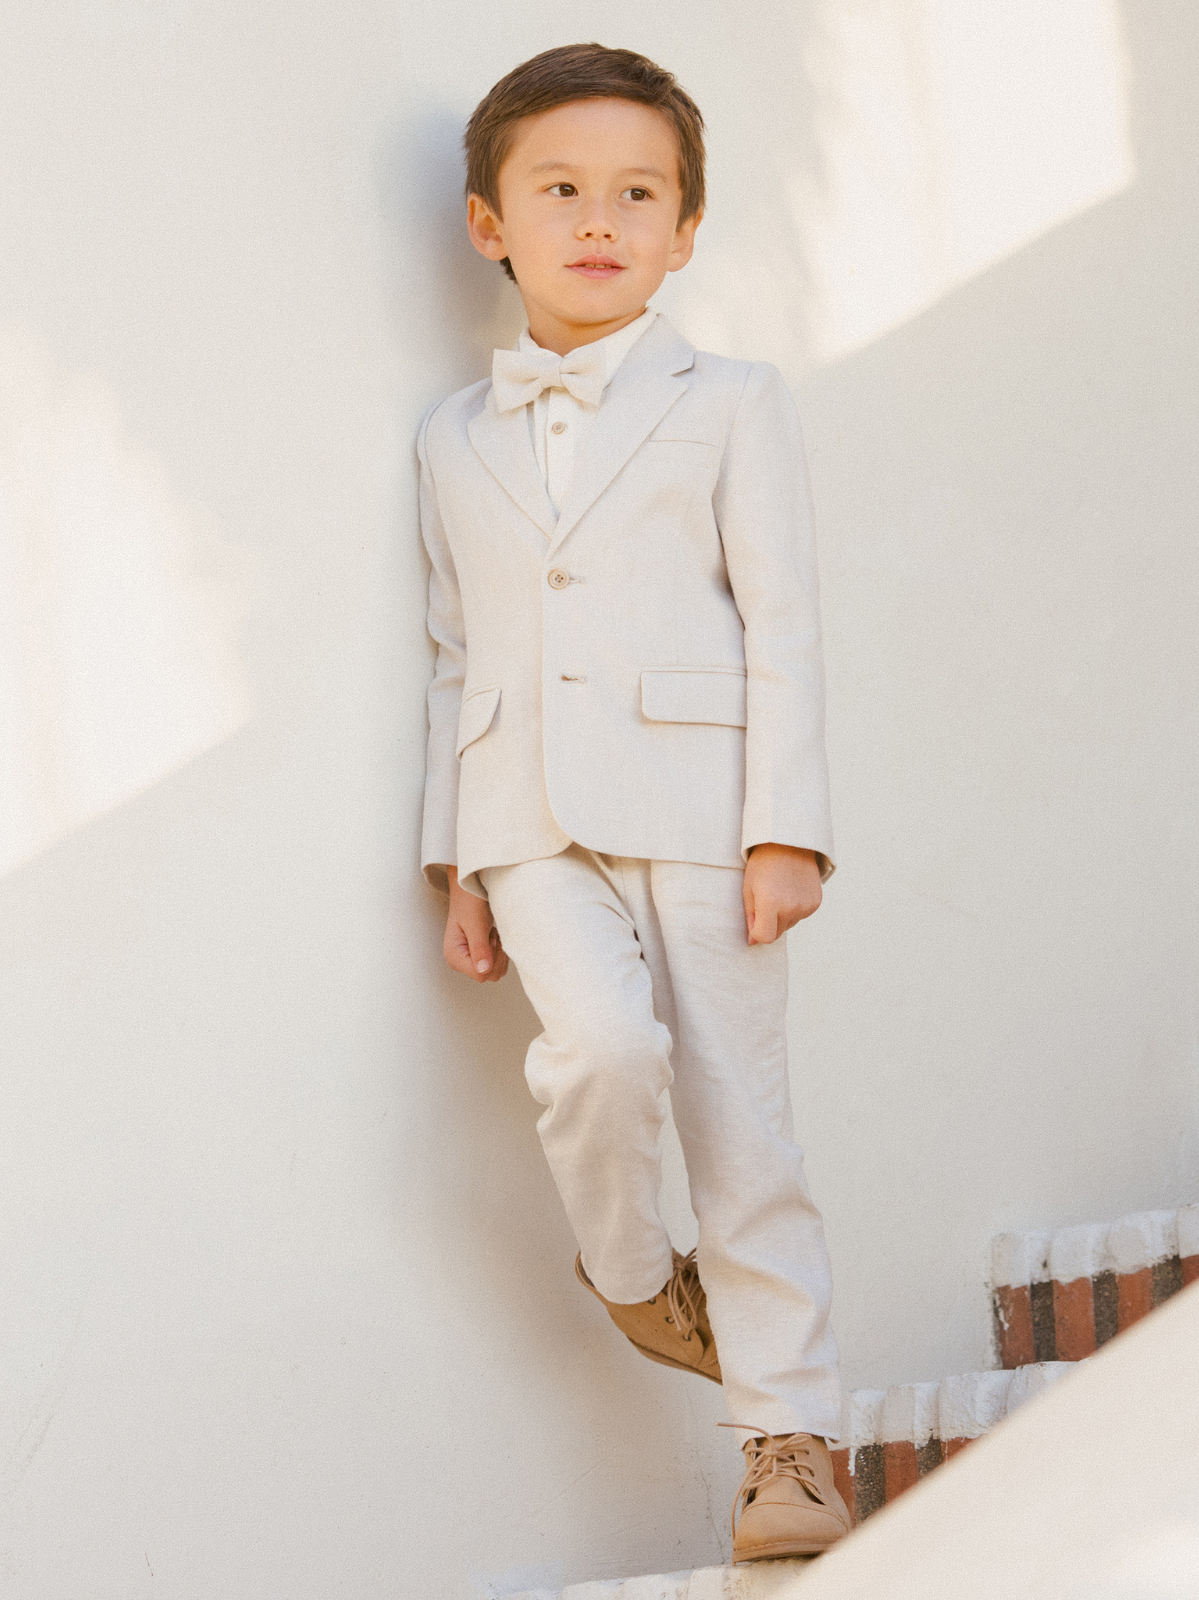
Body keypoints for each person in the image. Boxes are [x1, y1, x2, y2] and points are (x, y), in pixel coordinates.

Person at [417, 42, 851, 1563]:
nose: (598, 219)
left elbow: (781, 617)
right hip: (524, 821)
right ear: (491, 224)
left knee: (744, 1122)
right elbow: (453, 650)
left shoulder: (732, 400)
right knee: (597, 1054)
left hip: (704, 808)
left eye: (636, 193)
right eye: (560, 190)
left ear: (682, 227)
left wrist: (785, 825)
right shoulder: (449, 435)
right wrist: (452, 857)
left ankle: (787, 1440)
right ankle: (623, 1271)